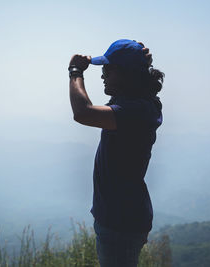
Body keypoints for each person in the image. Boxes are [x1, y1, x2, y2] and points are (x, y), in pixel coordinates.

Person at [68, 39, 165, 267]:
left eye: (108, 69)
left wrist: (75, 71)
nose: (102, 75)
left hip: (120, 224)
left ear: (126, 75)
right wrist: (139, 62)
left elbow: (83, 112)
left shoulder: (137, 111)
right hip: (120, 220)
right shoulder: (136, 102)